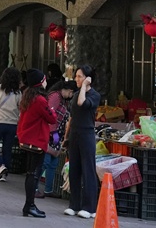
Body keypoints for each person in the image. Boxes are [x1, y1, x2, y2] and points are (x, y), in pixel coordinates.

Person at [17, 68, 57, 218]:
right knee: (34, 174)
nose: (46, 81)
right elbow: (52, 118)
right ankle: (29, 205)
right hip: (37, 140)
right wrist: (52, 109)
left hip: (27, 138)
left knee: (30, 174)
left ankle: (29, 205)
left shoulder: (27, 97)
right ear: (40, 82)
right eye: (44, 79)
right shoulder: (40, 100)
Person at [64, 65, 100, 219]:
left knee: (88, 170)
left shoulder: (94, 95)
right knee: (74, 170)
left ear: (88, 79)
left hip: (87, 134)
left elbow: (82, 103)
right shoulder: (77, 94)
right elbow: (71, 117)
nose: (76, 79)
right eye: (76, 76)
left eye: (80, 76)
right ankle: (74, 205)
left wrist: (85, 86)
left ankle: (89, 207)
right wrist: (66, 137)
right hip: (75, 134)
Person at [0, 67, 22, 182]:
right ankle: (4, 175)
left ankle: (0, 166)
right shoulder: (18, 93)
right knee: (7, 149)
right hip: (12, 124)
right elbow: (20, 109)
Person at [41, 79, 74, 196]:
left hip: (56, 134)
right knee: (45, 162)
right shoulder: (55, 97)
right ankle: (33, 187)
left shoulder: (63, 99)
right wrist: (54, 132)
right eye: (72, 93)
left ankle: (48, 189)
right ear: (70, 91)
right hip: (50, 133)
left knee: (53, 163)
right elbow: (50, 115)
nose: (71, 96)